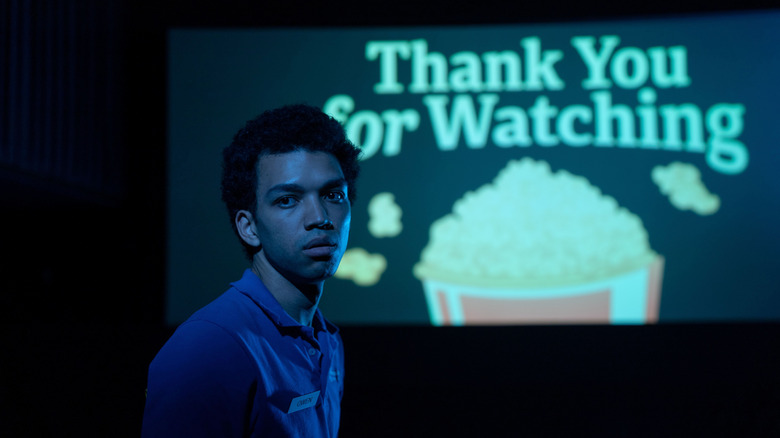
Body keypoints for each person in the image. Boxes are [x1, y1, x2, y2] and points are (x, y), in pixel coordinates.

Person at [142, 104, 361, 437]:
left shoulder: (326, 339)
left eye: (333, 194)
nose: (320, 216)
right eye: (288, 199)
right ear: (248, 227)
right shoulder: (209, 346)